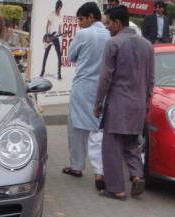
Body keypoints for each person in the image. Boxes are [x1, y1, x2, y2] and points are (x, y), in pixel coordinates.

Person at [94, 5, 154, 200]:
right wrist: (146, 103)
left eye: (109, 23)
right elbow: (151, 79)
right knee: (131, 143)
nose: (107, 27)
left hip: (118, 103)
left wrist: (98, 103)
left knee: (111, 146)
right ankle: (137, 176)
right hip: (138, 104)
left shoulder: (113, 43)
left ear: (118, 23)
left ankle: (116, 189)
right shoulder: (147, 45)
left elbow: (105, 78)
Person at [64, 2, 110, 191]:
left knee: (76, 127)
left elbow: (71, 57)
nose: (80, 23)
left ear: (91, 17)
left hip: (83, 86)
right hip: (103, 88)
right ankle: (100, 171)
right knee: (97, 130)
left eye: (81, 19)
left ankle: (76, 166)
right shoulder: (109, 34)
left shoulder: (84, 34)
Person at [40, 1, 63, 80]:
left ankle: (59, 74)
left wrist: (60, 33)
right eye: (59, 7)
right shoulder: (52, 14)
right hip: (50, 36)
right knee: (46, 54)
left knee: (59, 56)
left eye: (61, 7)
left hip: (56, 37)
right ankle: (42, 71)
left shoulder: (60, 16)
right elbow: (47, 25)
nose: (60, 9)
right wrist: (47, 36)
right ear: (57, 6)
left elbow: (59, 29)